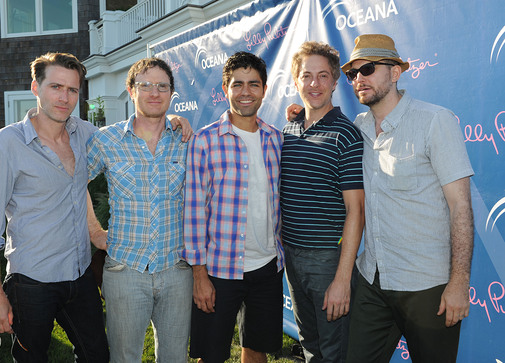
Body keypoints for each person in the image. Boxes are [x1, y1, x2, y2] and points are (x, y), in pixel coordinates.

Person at [340, 34, 474, 362]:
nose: (359, 79)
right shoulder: (357, 128)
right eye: (352, 73)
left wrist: (459, 283)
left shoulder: (434, 121)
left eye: (368, 69)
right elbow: (322, 124)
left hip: (427, 287)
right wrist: (301, 111)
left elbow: (460, 205)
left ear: (395, 73)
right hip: (372, 279)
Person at [0, 52, 109, 362]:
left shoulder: (84, 134)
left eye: (73, 90)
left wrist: (170, 120)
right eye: (56, 87)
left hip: (80, 275)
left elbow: (80, 183)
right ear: (36, 87)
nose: (65, 97)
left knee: (97, 356)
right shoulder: (7, 144)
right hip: (32, 283)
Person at [86, 57, 193, 362]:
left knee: (174, 358)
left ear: (171, 93)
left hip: (176, 269)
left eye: (162, 86)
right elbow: (74, 182)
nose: (154, 93)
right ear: (131, 90)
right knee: (124, 357)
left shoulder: (185, 140)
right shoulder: (106, 140)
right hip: (125, 270)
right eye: (145, 85)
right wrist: (95, 230)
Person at [183, 51, 284, 363]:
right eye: (237, 84)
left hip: (267, 267)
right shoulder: (204, 141)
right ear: (225, 88)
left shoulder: (277, 140)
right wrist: (199, 276)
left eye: (253, 84)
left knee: (256, 349)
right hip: (218, 270)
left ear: (264, 89)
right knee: (211, 355)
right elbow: (193, 212)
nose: (245, 92)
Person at [281, 41, 364, 363]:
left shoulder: (346, 135)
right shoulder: (289, 127)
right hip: (292, 256)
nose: (314, 84)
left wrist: (342, 279)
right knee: (311, 345)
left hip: (328, 262)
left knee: (334, 352)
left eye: (323, 76)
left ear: (334, 82)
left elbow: (356, 211)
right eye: (306, 76)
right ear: (296, 80)